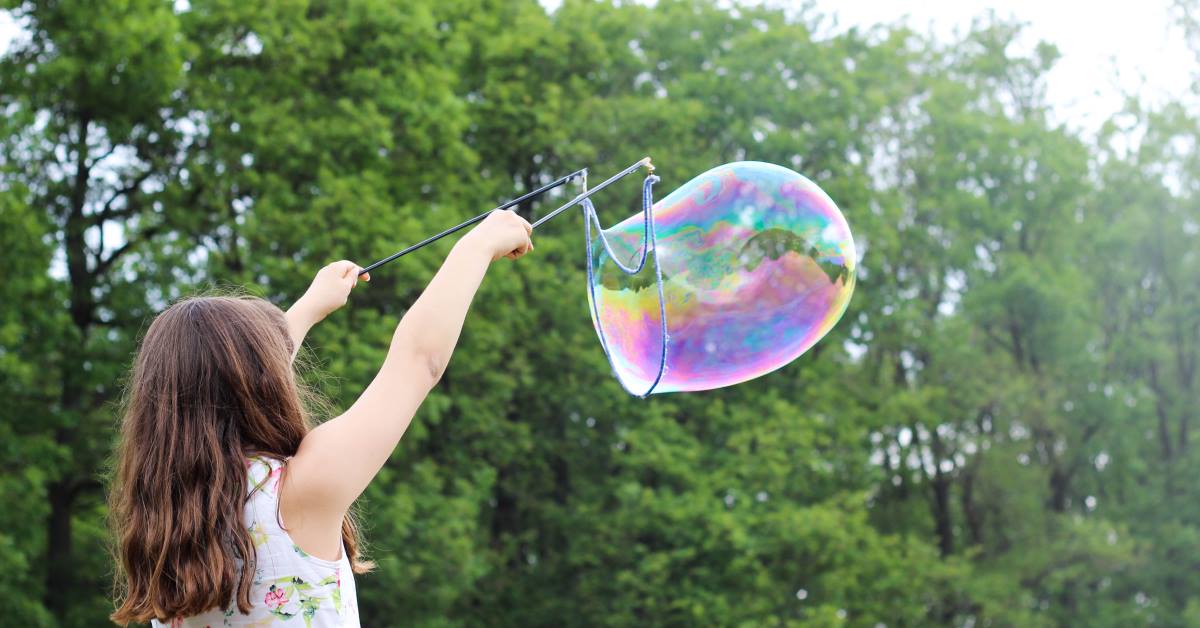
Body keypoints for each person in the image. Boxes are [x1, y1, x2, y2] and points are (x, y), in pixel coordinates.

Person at [108, 210, 535, 626]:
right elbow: (419, 360)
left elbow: (232, 381)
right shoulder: (295, 494)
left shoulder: (164, 525)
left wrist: (310, 307)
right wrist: (477, 246)